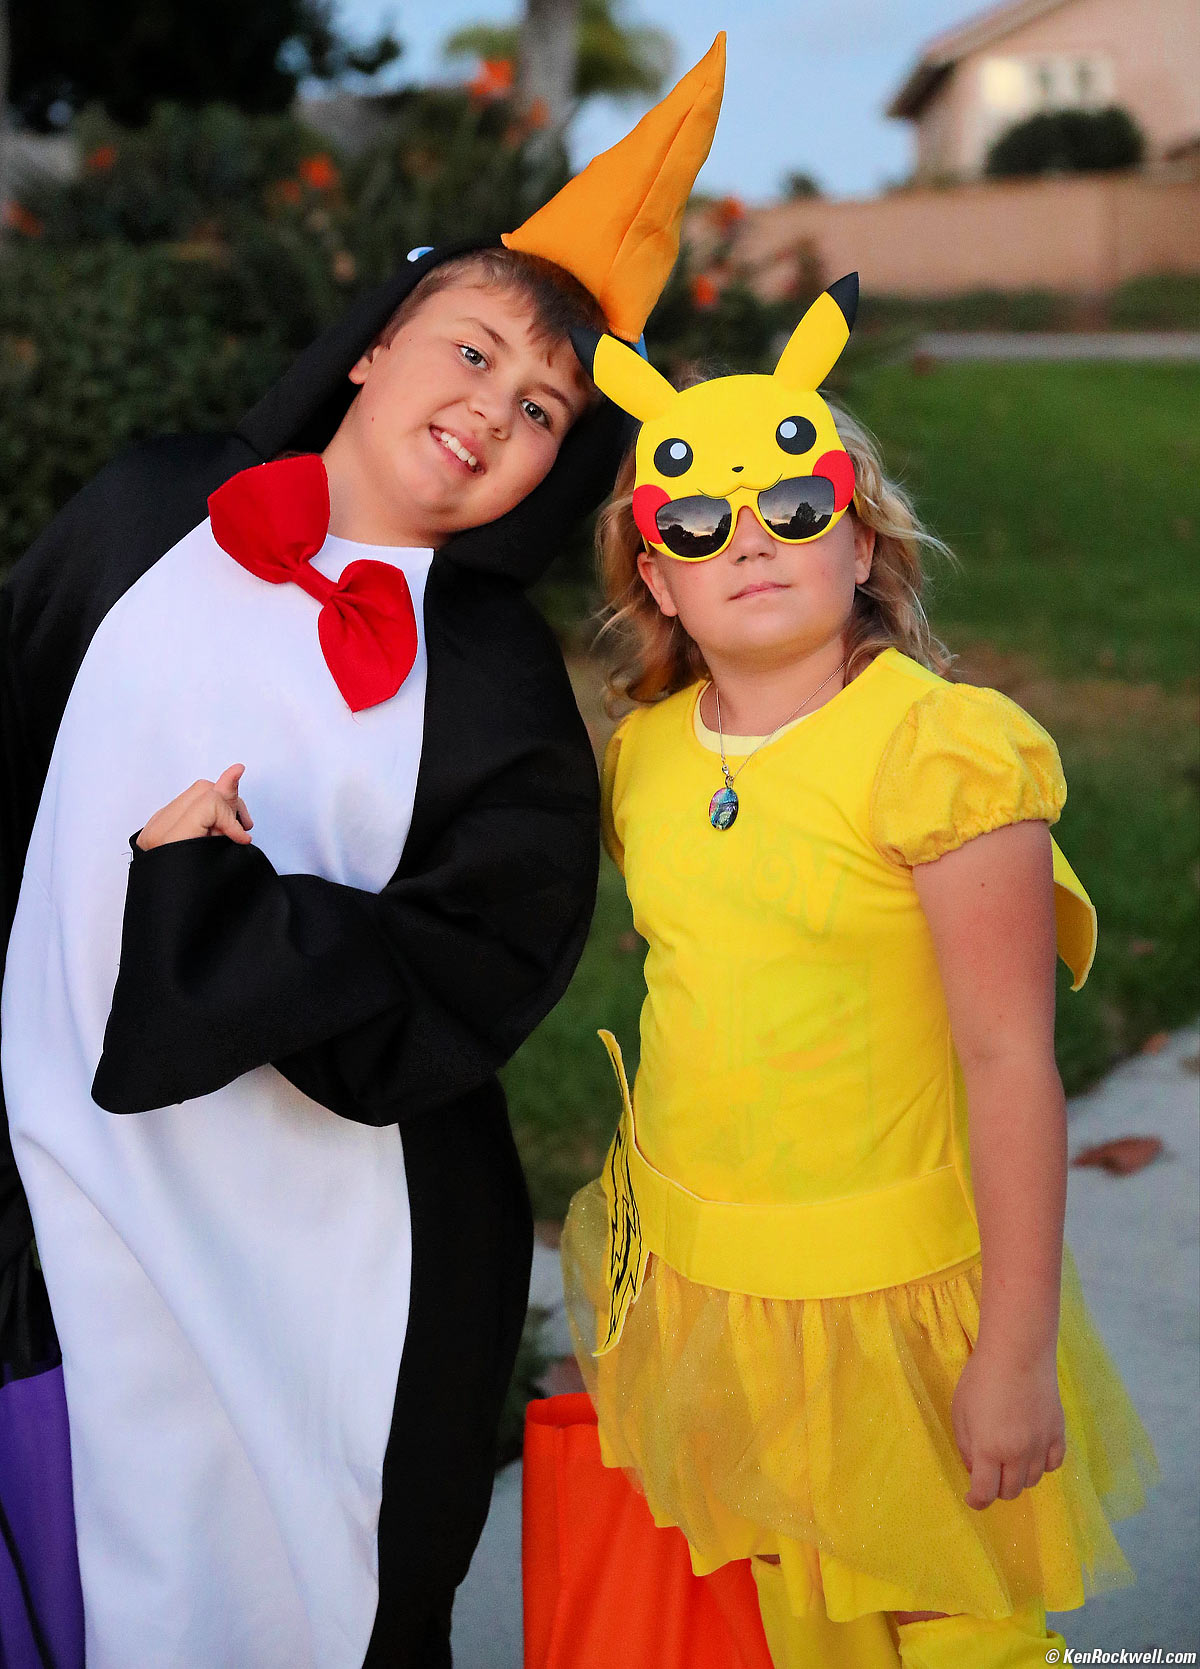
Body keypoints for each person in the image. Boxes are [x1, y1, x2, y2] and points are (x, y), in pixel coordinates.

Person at [0, 38, 726, 1669]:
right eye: (467, 351)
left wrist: (228, 917)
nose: (489, 410)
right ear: (378, 343)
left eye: (541, 408)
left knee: (293, 1597)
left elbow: (469, 977)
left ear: (568, 465)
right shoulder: (141, 515)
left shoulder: (501, 703)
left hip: (333, 1267)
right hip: (56, 1200)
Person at [561, 276, 1159, 1669]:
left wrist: (1009, 1350)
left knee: (957, 1628)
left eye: (795, 507)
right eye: (698, 521)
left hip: (901, 1302)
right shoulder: (644, 758)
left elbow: (1011, 1058)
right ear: (656, 572)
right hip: (718, 1288)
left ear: (863, 542)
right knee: (793, 1625)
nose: (751, 542)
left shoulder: (940, 753)